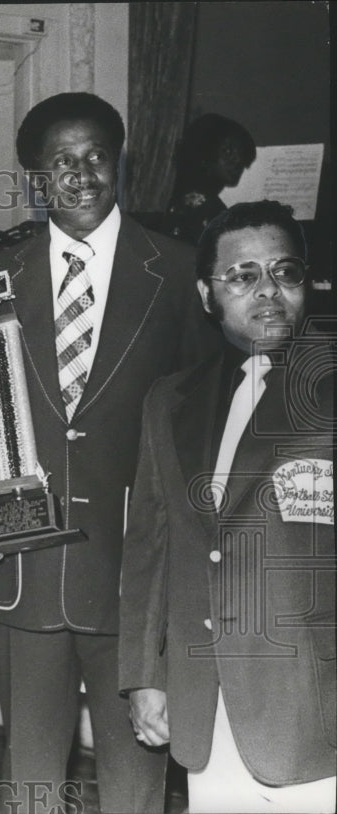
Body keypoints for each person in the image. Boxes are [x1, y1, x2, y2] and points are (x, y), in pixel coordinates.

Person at [0, 92, 216, 814]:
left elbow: (204, 427)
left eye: (96, 155)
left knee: (135, 783)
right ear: (37, 176)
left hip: (136, 577)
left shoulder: (180, 270)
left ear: (119, 161)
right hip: (25, 567)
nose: (81, 173)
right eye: (61, 161)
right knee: (30, 779)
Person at [120, 200, 335, 813]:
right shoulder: (171, 401)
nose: (268, 290)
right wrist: (143, 675)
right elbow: (151, 548)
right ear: (207, 293)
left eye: (285, 272)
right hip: (205, 710)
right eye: (243, 276)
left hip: (315, 715)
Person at [164, 114, 256, 245]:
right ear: (205, 151)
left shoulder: (193, 199)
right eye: (228, 151)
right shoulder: (203, 206)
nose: (238, 161)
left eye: (242, 154)